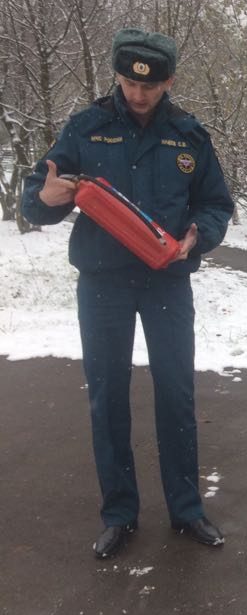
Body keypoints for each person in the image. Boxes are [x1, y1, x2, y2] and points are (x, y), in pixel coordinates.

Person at [20, 28, 235, 559]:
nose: (138, 95)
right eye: (129, 83)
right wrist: (44, 200)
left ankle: (186, 510)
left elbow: (215, 203)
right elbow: (37, 193)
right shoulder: (85, 128)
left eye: (151, 85)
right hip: (104, 283)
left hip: (167, 280)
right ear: (117, 75)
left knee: (176, 394)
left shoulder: (189, 135)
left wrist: (199, 235)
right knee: (108, 396)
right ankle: (119, 514)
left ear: (169, 81)